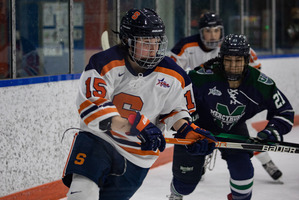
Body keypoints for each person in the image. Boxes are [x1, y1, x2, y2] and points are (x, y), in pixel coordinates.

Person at [62, 8, 216, 200]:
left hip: (139, 154)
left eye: (157, 42)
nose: (154, 49)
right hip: (99, 139)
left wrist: (186, 130)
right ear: (128, 41)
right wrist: (133, 125)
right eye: (146, 43)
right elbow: (92, 107)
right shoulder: (103, 63)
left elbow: (175, 111)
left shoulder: (175, 75)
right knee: (82, 194)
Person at [168, 34, 294, 200]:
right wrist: (189, 124)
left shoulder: (260, 84)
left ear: (247, 60)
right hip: (198, 128)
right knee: (185, 184)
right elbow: (176, 102)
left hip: (235, 128)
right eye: (228, 60)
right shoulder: (202, 76)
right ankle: (176, 194)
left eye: (238, 60)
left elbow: (285, 112)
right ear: (221, 59)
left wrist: (272, 131)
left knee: (244, 173)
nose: (233, 66)